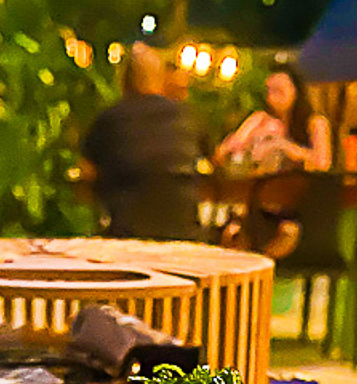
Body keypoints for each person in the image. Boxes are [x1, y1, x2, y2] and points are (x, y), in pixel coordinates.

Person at [79, 43, 205, 241]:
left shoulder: (110, 119)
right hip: (184, 229)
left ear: (123, 81)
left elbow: (86, 172)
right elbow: (214, 159)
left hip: (127, 230)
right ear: (161, 79)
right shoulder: (186, 116)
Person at [213, 59, 332, 259]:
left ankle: (264, 261)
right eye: (269, 91)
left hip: (299, 210)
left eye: (279, 91)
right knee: (233, 230)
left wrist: (286, 147)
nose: (272, 98)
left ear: (296, 91)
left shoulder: (314, 123)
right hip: (260, 204)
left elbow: (322, 163)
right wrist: (246, 135)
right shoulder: (262, 120)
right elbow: (223, 153)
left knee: (285, 231)